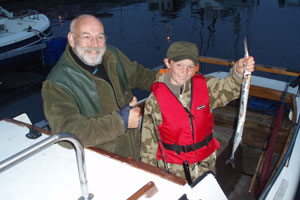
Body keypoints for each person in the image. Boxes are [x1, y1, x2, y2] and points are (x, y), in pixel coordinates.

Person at [42, 14, 157, 161]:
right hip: (103, 160)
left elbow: (139, 75)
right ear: (71, 39)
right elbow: (67, 133)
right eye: (86, 37)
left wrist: (170, 81)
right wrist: (120, 122)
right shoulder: (57, 83)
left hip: (134, 150)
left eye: (100, 37)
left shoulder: (111, 55)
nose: (95, 44)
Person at [140, 41, 255, 180]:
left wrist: (238, 72)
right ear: (167, 63)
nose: (184, 71)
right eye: (179, 65)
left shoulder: (205, 86)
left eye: (190, 67)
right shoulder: (155, 100)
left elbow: (229, 88)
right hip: (174, 170)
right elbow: (148, 145)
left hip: (206, 164)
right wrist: (151, 175)